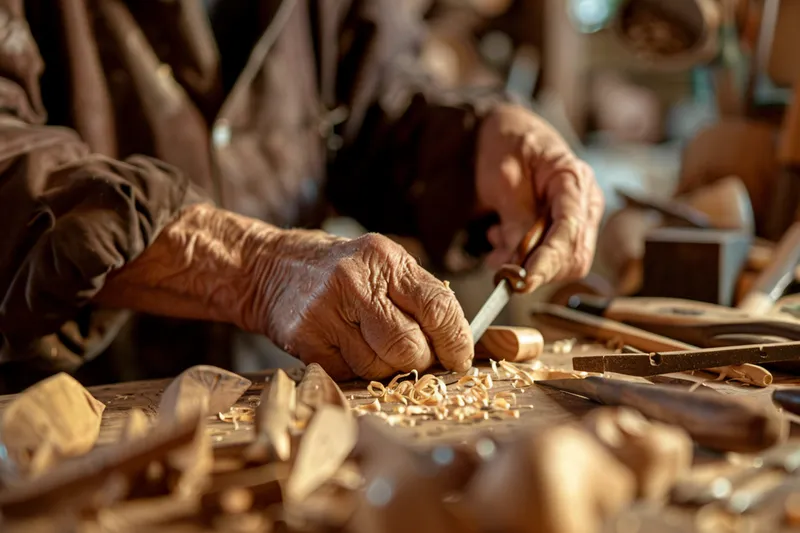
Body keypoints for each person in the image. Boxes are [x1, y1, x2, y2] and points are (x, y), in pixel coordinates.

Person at [0, 0, 603, 392]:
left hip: (273, 393)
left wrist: (477, 145)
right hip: (52, 409)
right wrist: (248, 269)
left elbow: (373, 96)